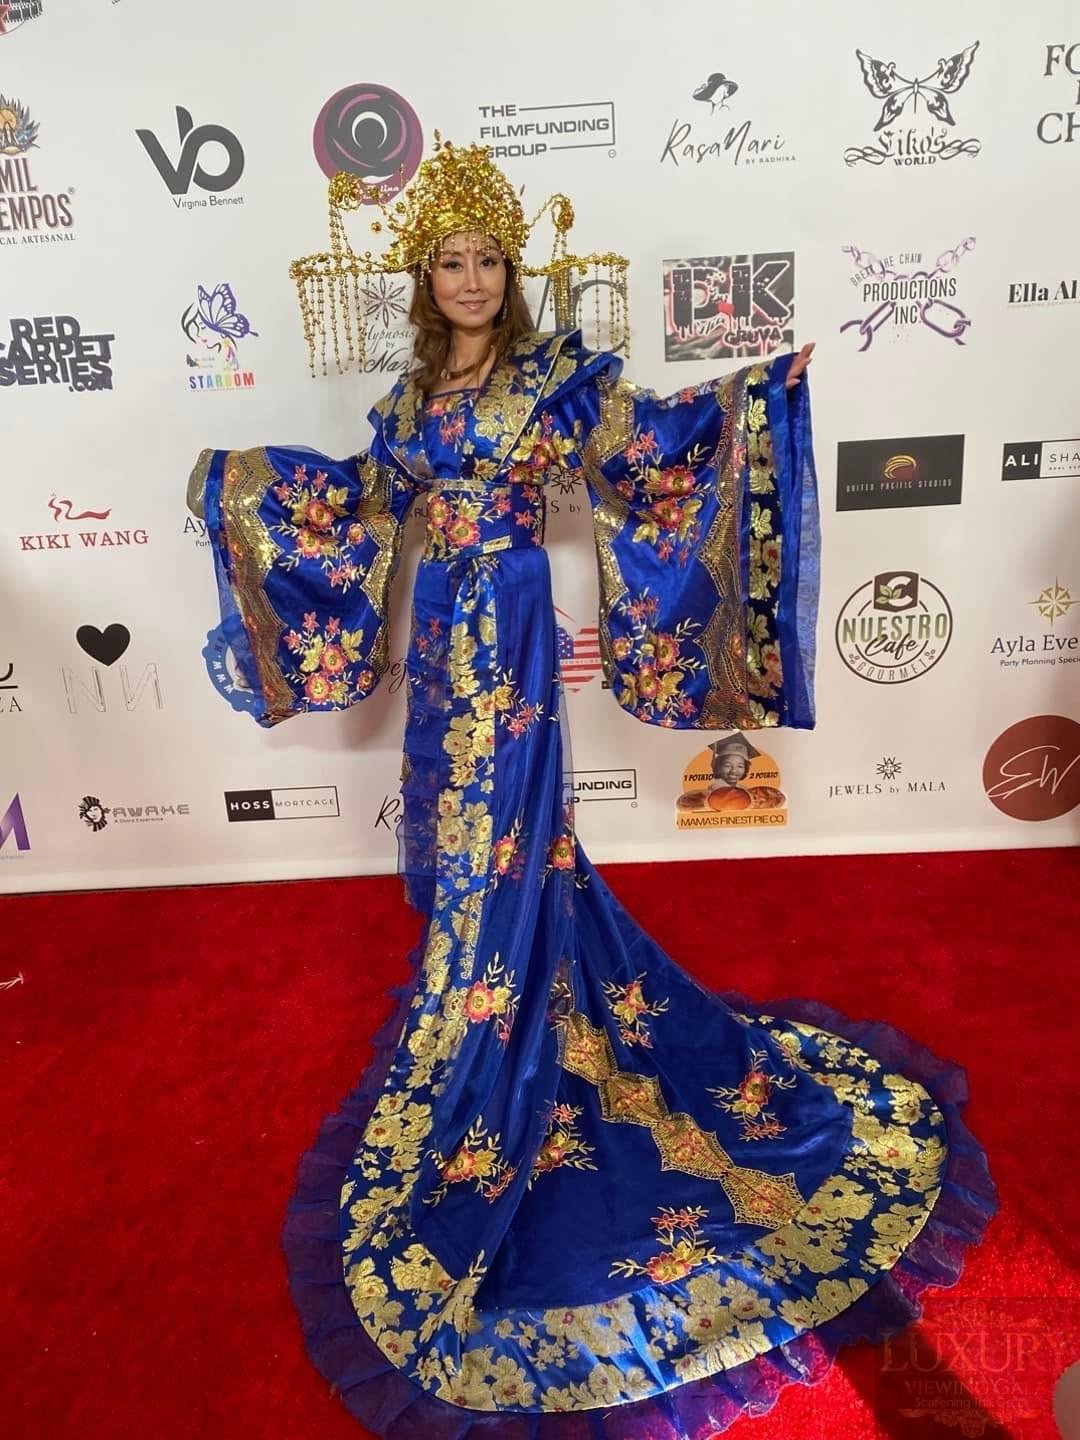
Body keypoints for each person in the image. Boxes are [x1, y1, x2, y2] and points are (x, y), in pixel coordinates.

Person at [187, 138, 994, 1438]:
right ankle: (488, 975)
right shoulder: (407, 400)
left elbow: (659, 457)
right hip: (442, 626)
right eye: (448, 262)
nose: (468, 279)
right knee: (469, 834)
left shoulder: (558, 378)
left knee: (518, 826)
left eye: (486, 260)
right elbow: (361, 507)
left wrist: (754, 401)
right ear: (423, 279)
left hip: (511, 617)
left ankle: (515, 993)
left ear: (510, 273)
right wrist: (246, 486)